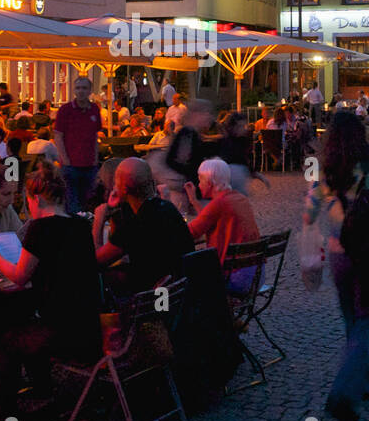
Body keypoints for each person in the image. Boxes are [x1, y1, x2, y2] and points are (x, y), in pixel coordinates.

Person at [0, 166, 103, 421]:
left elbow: (20, 276)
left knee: (8, 341)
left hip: (64, 332)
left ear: (34, 198)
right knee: (23, 327)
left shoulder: (40, 228)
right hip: (89, 327)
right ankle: (44, 394)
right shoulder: (79, 225)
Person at [303, 111, 369, 421]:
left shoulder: (323, 169)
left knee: (351, 320)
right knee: (365, 321)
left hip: (339, 254)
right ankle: (344, 392)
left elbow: (308, 212)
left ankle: (367, 381)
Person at [96, 157, 194, 295]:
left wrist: (99, 221)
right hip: (178, 294)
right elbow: (121, 241)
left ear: (124, 188)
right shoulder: (167, 208)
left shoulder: (137, 223)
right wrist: (117, 211)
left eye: (116, 181)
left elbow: (96, 263)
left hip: (155, 303)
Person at [186, 158, 260, 291]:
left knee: (188, 276)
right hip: (256, 274)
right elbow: (208, 219)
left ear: (209, 182)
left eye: (200, 180)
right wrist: (194, 201)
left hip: (235, 277)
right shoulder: (239, 198)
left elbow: (190, 233)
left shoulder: (218, 204)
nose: (198, 185)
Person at [54, 75, 103, 215]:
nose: (80, 91)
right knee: (72, 205)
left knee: (87, 203)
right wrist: (66, 160)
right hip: (71, 165)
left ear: (90, 91)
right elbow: (58, 136)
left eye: (84, 88)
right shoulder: (65, 110)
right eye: (78, 88)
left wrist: (95, 159)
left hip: (90, 165)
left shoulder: (94, 109)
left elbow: (95, 136)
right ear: (74, 90)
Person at [164, 98, 213, 211]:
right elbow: (182, 162)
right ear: (196, 114)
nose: (209, 117)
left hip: (192, 192)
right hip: (187, 194)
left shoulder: (192, 133)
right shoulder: (188, 134)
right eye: (206, 113)